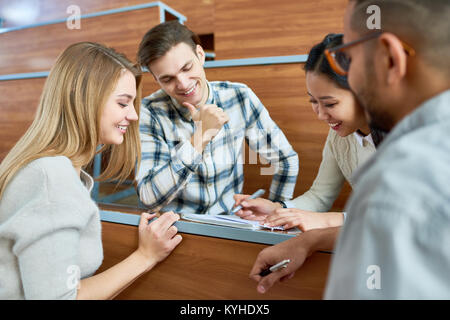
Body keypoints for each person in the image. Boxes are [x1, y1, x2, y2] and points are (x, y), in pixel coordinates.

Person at [249, 0, 450, 299]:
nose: (320, 114)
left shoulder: (404, 177)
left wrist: (321, 227)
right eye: (313, 102)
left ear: (390, 60)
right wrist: (289, 220)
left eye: (351, 58)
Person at [0, 42, 182, 299]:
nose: (133, 115)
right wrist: (144, 257)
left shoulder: (56, 170)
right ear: (84, 100)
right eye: (122, 103)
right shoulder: (51, 177)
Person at [135, 21, 299, 215]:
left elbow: (285, 159)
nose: (183, 84)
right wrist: (200, 137)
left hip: (228, 220)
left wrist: (277, 209)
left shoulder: (240, 97)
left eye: (187, 68)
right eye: (168, 79)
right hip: (175, 226)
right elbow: (149, 197)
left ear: (200, 55)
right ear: (156, 80)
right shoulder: (148, 112)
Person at [233, 33, 384, 232]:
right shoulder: (339, 137)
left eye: (330, 103)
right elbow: (319, 196)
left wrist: (327, 221)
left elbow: (395, 216)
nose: (321, 115)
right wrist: (279, 209)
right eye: (313, 101)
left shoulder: (405, 135)